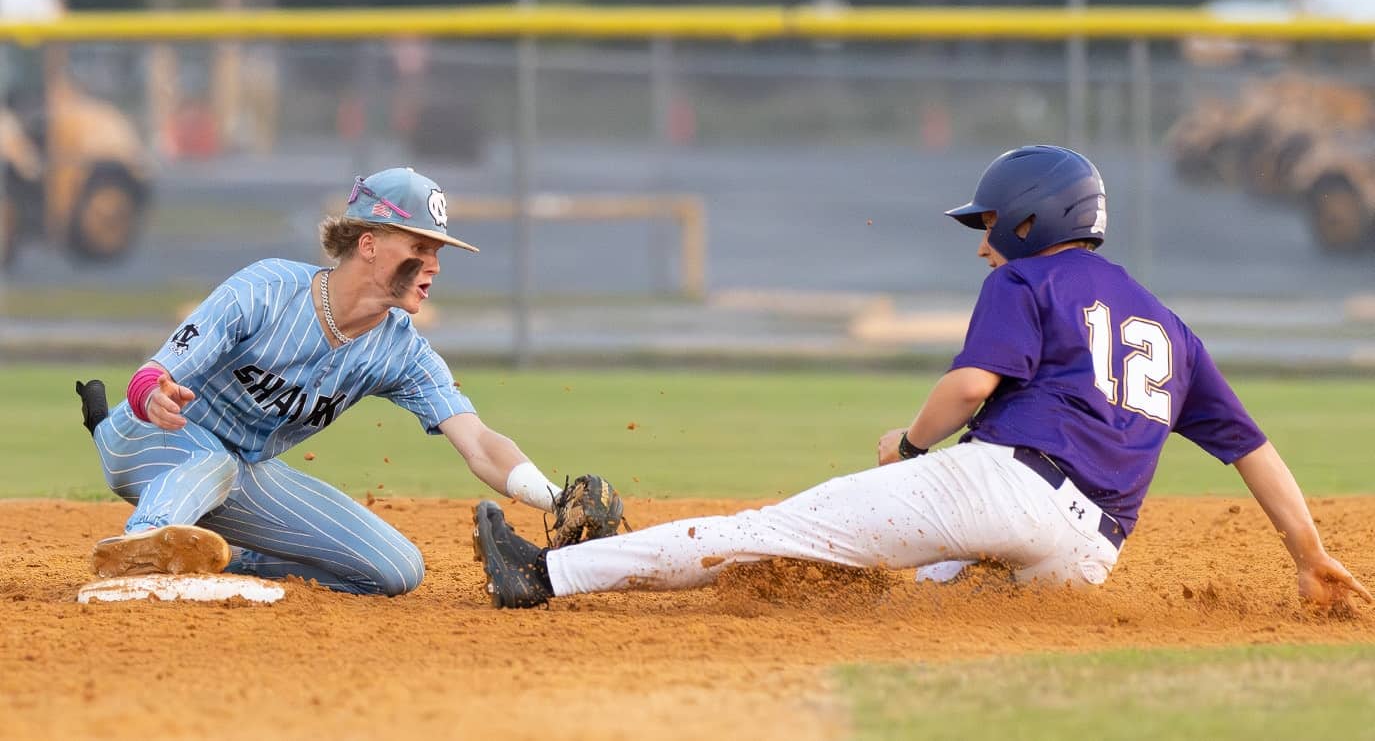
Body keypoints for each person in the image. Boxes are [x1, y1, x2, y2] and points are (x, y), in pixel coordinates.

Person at [471, 145, 1371, 611]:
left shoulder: (1026, 278)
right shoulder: (1169, 327)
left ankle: (550, 577)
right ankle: (818, 576)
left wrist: (908, 445)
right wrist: (1306, 553)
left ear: (1030, 220)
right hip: (1088, 553)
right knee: (894, 574)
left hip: (1006, 487)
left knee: (774, 526)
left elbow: (972, 387)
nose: (982, 241)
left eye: (990, 223)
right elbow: (1249, 446)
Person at [78, 167, 622, 596]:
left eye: (437, 251)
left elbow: (477, 441)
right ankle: (141, 548)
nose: (433, 265)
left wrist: (554, 498)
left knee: (394, 569)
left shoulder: (400, 351)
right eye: (420, 247)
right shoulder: (269, 288)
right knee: (211, 461)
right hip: (150, 440)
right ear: (368, 243)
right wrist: (151, 395)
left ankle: (213, 558)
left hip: (238, 472)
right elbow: (153, 372)